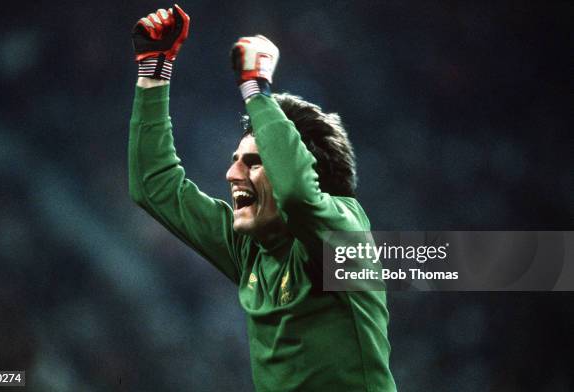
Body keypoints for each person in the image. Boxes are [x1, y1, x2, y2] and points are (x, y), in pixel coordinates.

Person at [128, 5, 396, 391]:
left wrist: (256, 90)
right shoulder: (252, 249)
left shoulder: (346, 234)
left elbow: (298, 198)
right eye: (235, 160)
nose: (231, 174)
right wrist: (154, 71)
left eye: (254, 163)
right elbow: (154, 187)